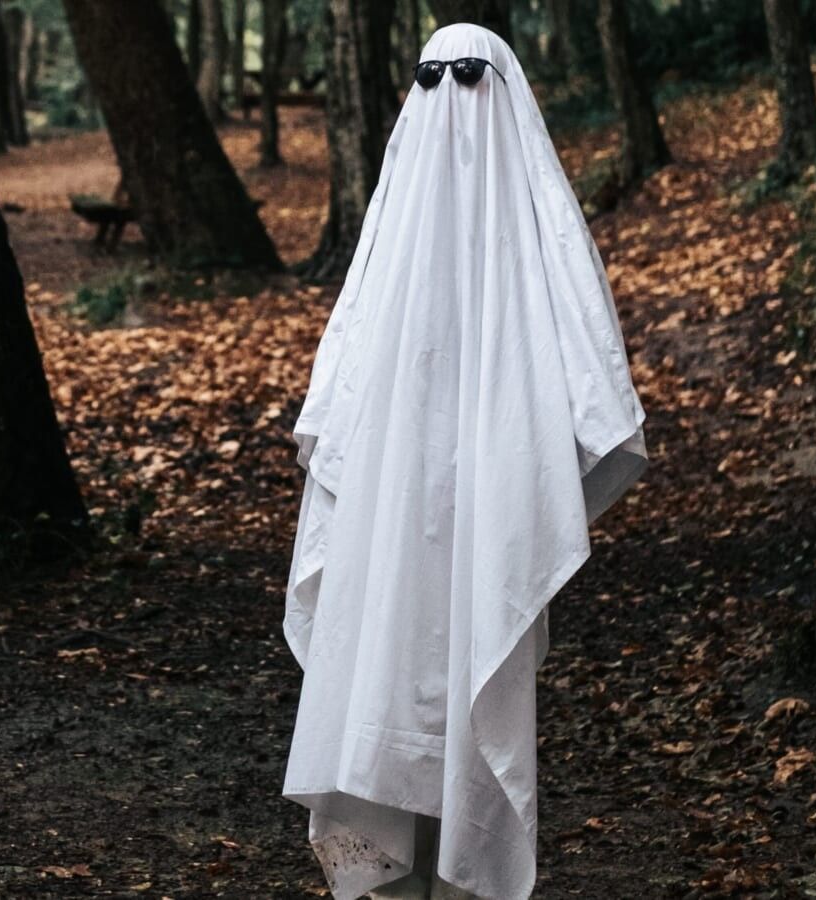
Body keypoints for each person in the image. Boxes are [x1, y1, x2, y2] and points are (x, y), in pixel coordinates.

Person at [280, 23, 649, 900]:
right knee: (387, 672)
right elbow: (342, 389)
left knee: (456, 666)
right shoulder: (393, 238)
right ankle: (394, 875)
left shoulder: (533, 232)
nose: (454, 97)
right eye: (433, 78)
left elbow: (589, 375)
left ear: (503, 88)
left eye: (469, 77)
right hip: (390, 523)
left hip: (484, 515)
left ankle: (457, 877)